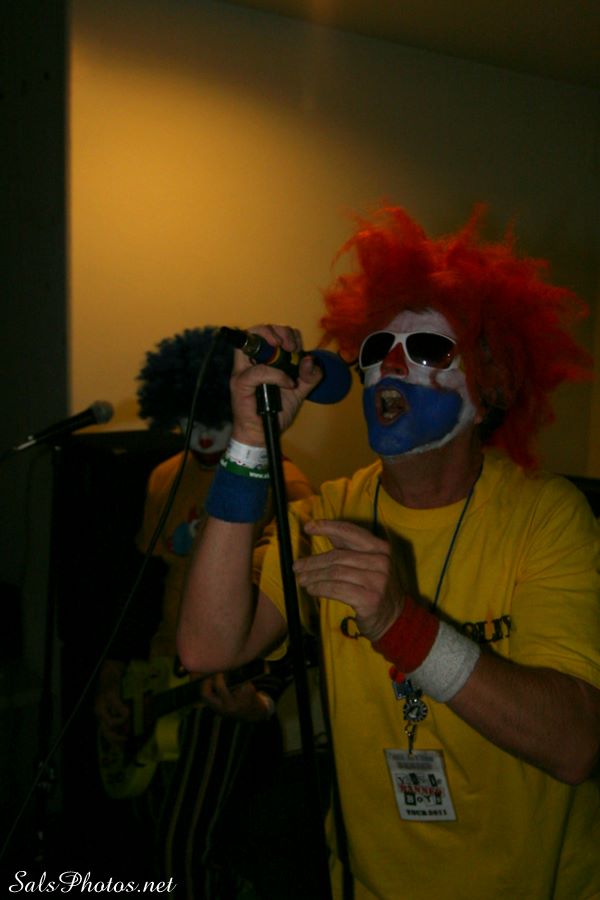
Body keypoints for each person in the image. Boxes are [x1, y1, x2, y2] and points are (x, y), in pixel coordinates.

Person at [176, 207, 600, 900]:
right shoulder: (332, 512)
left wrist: (404, 628)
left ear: (488, 386)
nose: (391, 365)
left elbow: (576, 744)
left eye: (428, 349)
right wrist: (250, 442)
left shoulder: (547, 517)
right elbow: (207, 646)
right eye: (376, 348)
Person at [94, 327, 315, 897]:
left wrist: (264, 694)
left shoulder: (285, 481)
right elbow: (144, 588)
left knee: (185, 851)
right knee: (150, 844)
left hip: (221, 687)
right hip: (155, 682)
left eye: (214, 418)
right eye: (188, 420)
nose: (202, 434)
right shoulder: (164, 478)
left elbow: (300, 608)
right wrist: (113, 677)